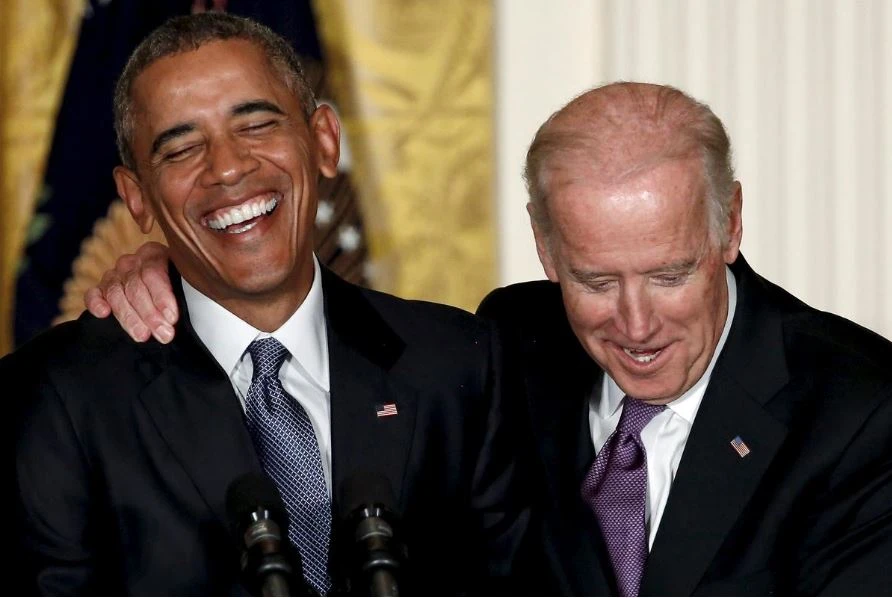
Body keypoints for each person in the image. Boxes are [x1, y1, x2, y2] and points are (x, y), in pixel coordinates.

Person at [91, 81, 892, 596]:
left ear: (731, 225)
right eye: (596, 281)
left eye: (669, 274)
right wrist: (188, 270)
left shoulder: (859, 412)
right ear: (546, 249)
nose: (637, 324)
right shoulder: (515, 341)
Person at [4, 12, 526, 595]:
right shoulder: (56, 400)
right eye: (182, 149)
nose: (228, 167)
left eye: (255, 125)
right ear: (137, 197)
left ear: (323, 140)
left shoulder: (461, 366)